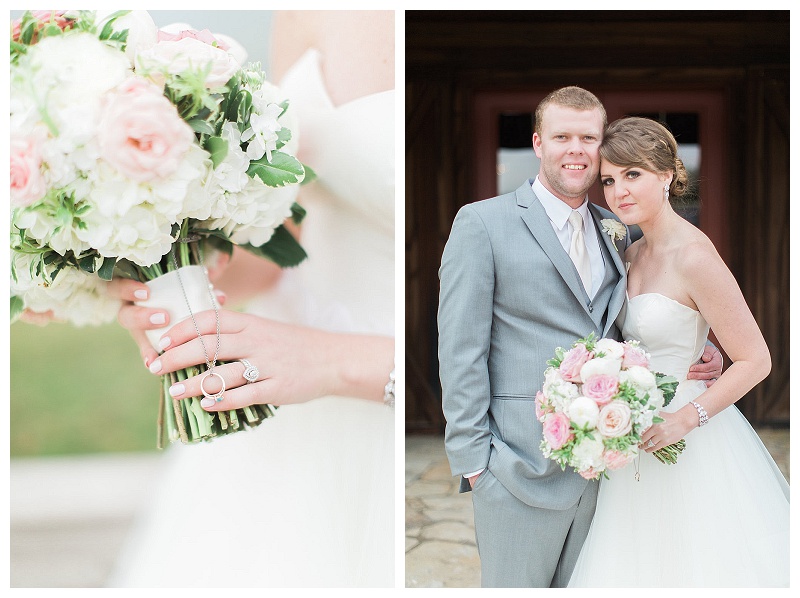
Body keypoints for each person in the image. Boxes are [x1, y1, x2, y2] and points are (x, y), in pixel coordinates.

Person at [107, 10, 395, 587]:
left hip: (389, 421)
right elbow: (287, 225)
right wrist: (158, 273)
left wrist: (332, 360)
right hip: (275, 419)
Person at [437, 86, 723, 588]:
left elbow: (644, 313)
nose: (576, 149)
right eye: (562, 136)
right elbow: (460, 349)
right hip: (515, 466)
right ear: (538, 143)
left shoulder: (618, 229)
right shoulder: (482, 223)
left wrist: (703, 346)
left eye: (587, 137)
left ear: (600, 147)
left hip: (608, 473)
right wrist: (475, 464)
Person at [566, 116, 789, 587]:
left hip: (688, 435)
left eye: (633, 174)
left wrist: (685, 419)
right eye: (608, 180)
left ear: (666, 175)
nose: (618, 191)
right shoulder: (629, 253)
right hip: (632, 432)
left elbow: (756, 359)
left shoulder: (695, 256)